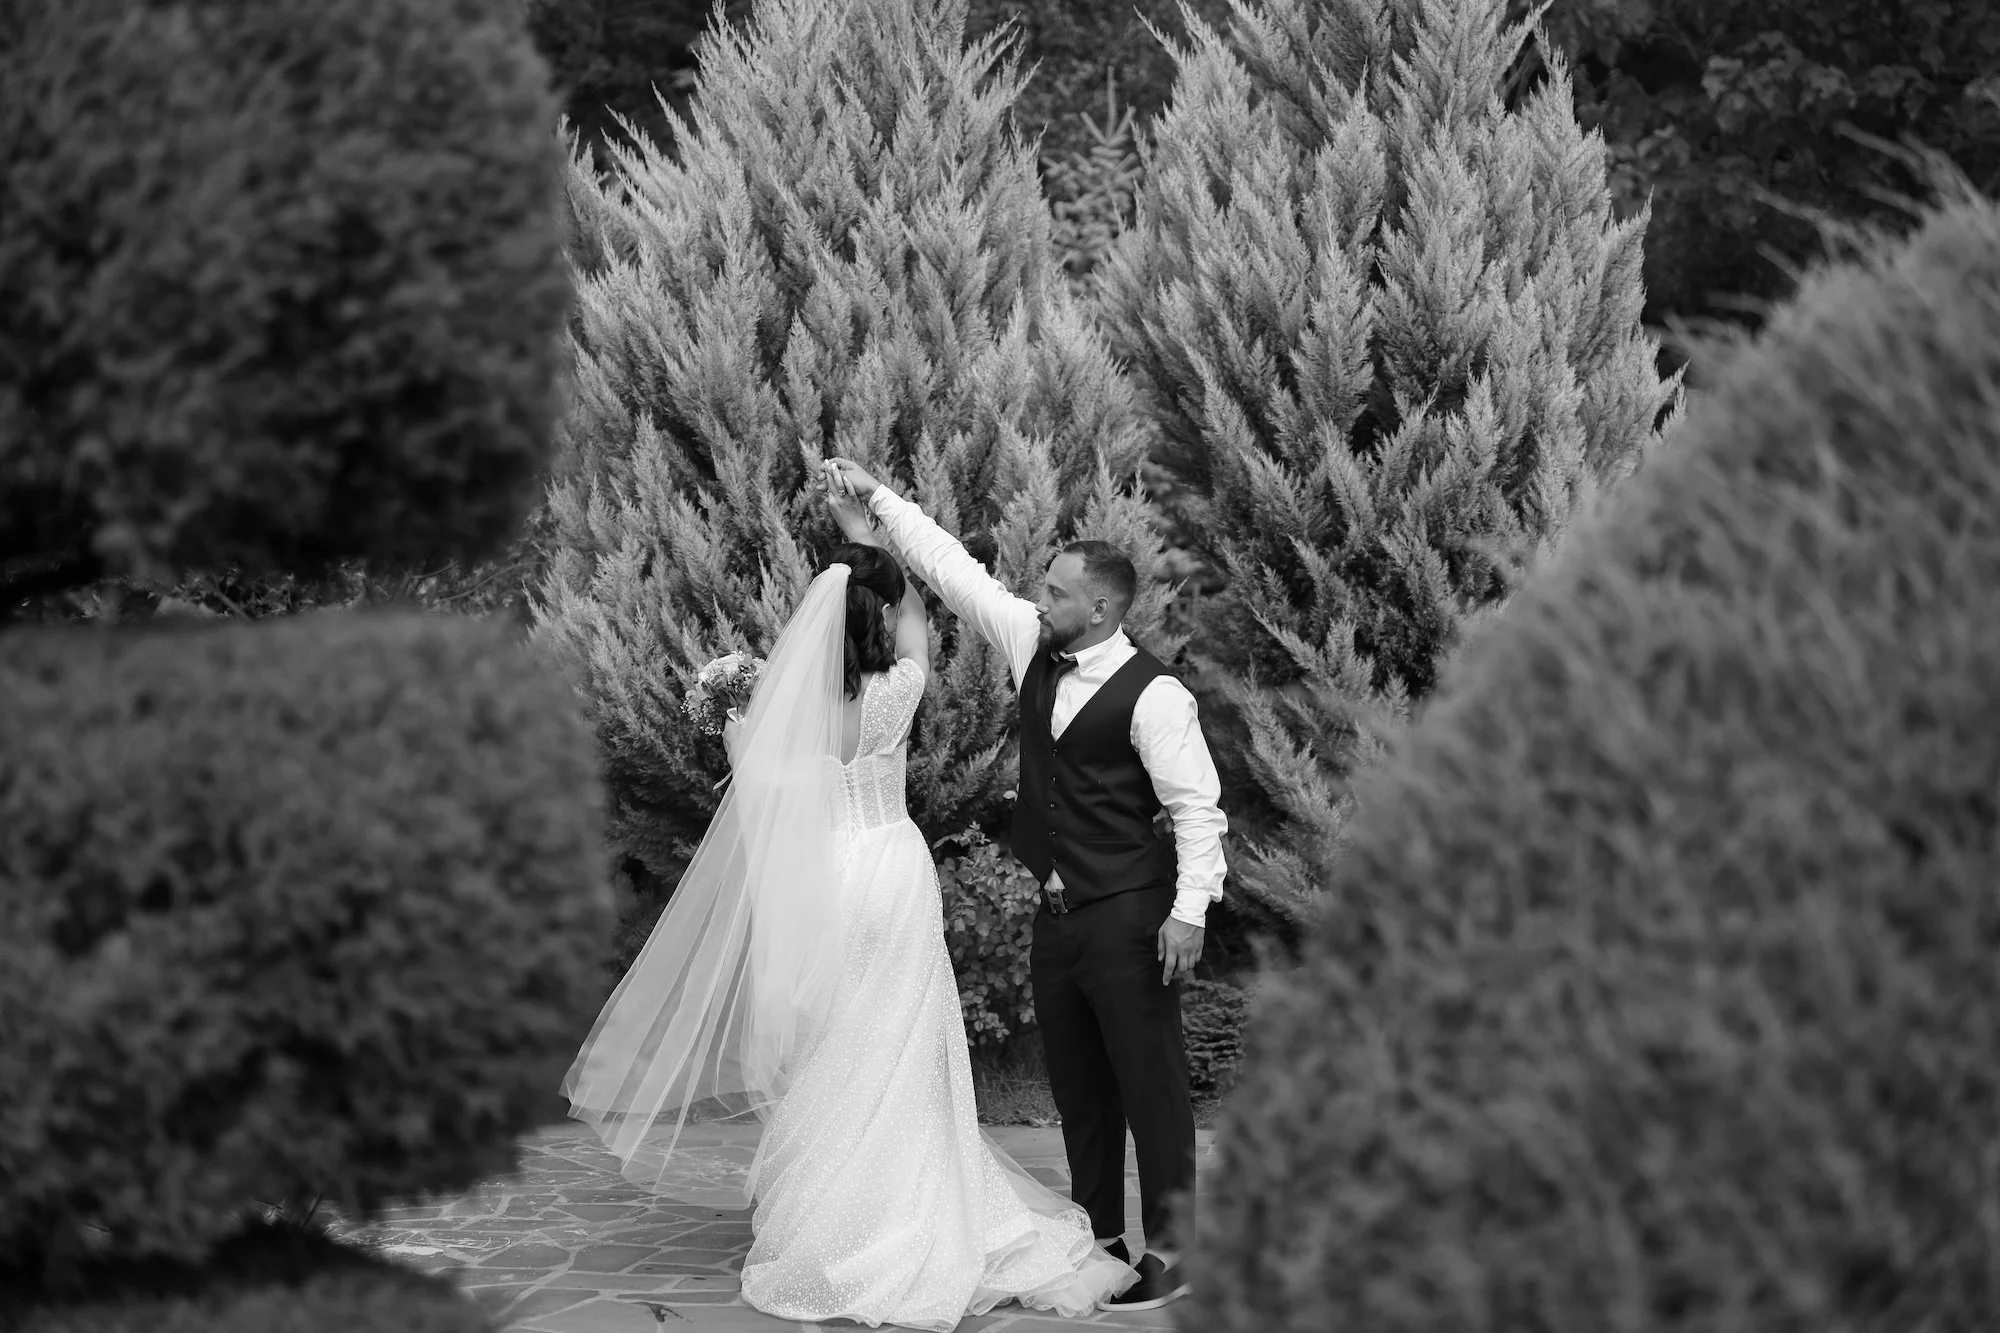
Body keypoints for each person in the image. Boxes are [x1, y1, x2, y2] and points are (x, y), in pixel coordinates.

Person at [562, 492, 1136, 1329]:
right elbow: (917, 625)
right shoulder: (899, 689)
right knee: (904, 1039)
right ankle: (915, 1201)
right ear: (883, 616)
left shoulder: (789, 709)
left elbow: (765, 790)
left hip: (826, 880)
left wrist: (736, 719)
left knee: (834, 1040)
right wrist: (871, 538)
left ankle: (836, 1217)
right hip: (892, 870)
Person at [822, 456, 1229, 1312]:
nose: (1039, 599)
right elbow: (951, 570)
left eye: (1056, 592)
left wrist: (1189, 913)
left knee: (1150, 1083)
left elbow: (1198, 810)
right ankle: (1099, 1235)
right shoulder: (1031, 643)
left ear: (1101, 608)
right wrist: (878, 497)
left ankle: (1176, 1246)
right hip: (1057, 912)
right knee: (1079, 1085)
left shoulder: (1156, 696)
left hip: (1130, 912)